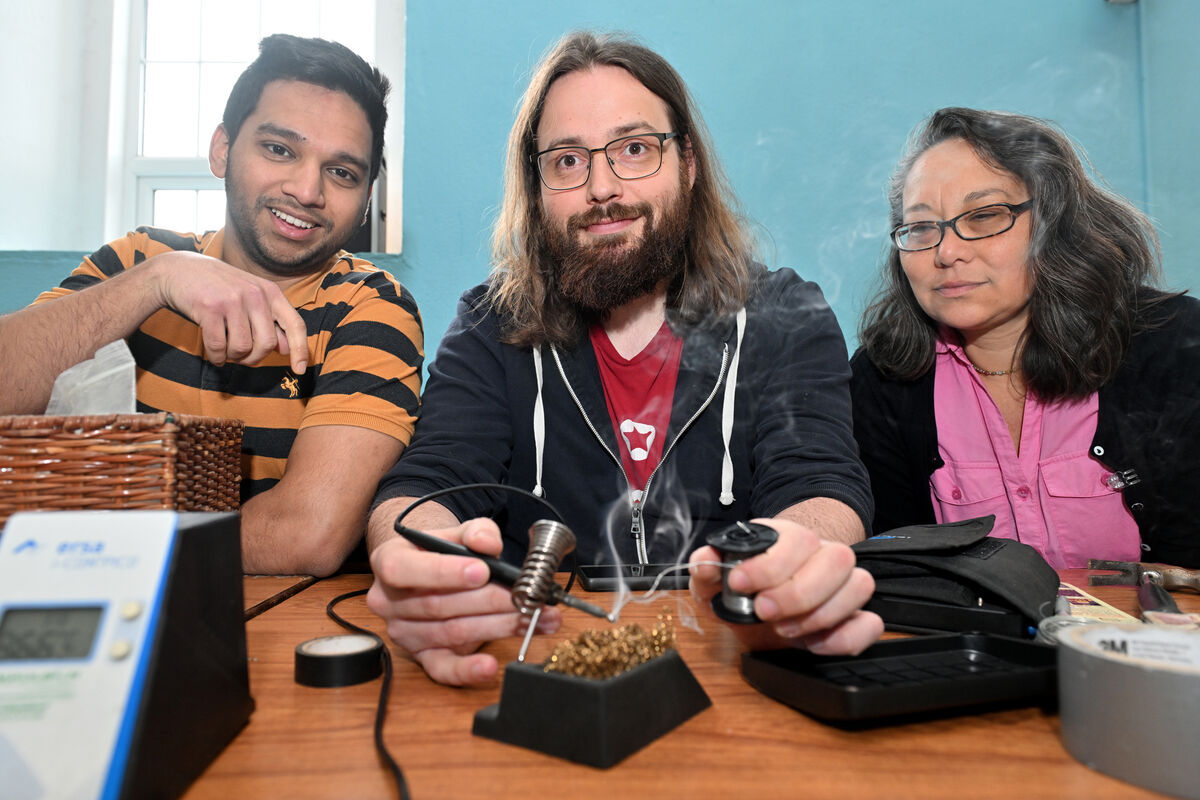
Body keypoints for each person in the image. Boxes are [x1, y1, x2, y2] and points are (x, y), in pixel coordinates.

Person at [365, 31, 881, 687]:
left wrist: (787, 564)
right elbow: (423, 489)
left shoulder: (785, 313)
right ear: (538, 184)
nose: (602, 188)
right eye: (568, 161)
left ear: (687, 164)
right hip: (540, 668)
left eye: (634, 149)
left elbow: (823, 489)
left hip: (735, 664)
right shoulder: (491, 324)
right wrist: (422, 565)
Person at [0, 35, 423, 576]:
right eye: (279, 149)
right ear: (222, 149)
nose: (307, 190)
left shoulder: (371, 307)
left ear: (366, 197)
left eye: (342, 172)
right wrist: (156, 281)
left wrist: (97, 552)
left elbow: (307, 535)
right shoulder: (140, 259)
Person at [852, 107, 1200, 569]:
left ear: (1054, 225)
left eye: (984, 215)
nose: (948, 252)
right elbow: (902, 576)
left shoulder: (1174, 346)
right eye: (921, 227)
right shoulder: (882, 382)